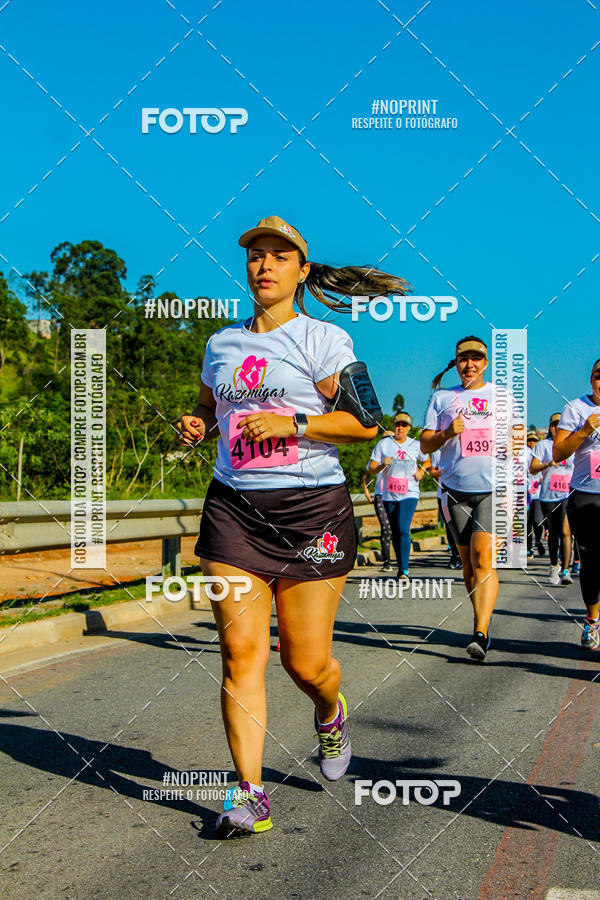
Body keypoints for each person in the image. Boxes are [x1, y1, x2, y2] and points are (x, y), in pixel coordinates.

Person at [176, 215, 410, 835]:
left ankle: (330, 715)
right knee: (239, 654)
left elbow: (367, 426)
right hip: (235, 510)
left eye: (280, 257)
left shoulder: (324, 341)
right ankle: (249, 794)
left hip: (312, 513)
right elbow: (209, 406)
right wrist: (197, 424)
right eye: (256, 255)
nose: (264, 265)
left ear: (302, 271)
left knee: (305, 664)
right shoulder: (221, 344)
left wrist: (295, 424)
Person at [420, 336, 499, 661]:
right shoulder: (442, 397)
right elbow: (425, 445)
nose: (470, 365)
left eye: (476, 358)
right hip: (455, 491)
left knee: (483, 559)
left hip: (493, 490)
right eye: (463, 359)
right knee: (468, 566)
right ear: (456, 363)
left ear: (486, 362)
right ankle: (478, 618)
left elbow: (519, 438)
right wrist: (446, 433)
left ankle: (481, 631)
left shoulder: (502, 396)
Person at [553, 358, 600, 648]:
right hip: (586, 495)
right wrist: (583, 431)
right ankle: (592, 620)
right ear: (591, 379)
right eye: (598, 374)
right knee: (593, 562)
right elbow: (558, 452)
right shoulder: (576, 409)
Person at [367, 413, 429, 583]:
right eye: (397, 424)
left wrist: (421, 472)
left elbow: (427, 460)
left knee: (402, 528)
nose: (400, 428)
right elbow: (371, 468)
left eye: (404, 425)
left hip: (409, 492)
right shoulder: (384, 444)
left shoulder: (415, 445)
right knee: (395, 531)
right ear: (394, 426)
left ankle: (404, 570)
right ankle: (400, 566)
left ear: (409, 427)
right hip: (389, 494)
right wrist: (381, 464)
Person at [530, 414, 574, 586]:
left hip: (567, 495)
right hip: (548, 495)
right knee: (554, 533)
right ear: (549, 427)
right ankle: (553, 565)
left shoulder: (572, 446)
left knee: (566, 531)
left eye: (560, 423)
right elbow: (532, 468)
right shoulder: (543, 446)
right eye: (554, 424)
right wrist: (546, 465)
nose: (557, 426)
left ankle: (566, 569)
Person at [363, 431, 394, 573]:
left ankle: (401, 561)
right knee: (386, 527)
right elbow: (367, 475)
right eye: (385, 438)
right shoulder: (375, 457)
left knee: (397, 529)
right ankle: (387, 562)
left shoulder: (399, 455)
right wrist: (367, 492)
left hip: (396, 495)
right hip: (380, 495)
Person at [430, 448, 461, 568]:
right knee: (450, 525)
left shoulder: (461, 448)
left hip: (462, 493)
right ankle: (456, 555)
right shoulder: (437, 452)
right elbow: (432, 472)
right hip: (443, 495)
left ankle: (467, 555)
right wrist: (444, 472)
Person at [526, 432, 545, 558]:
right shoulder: (524, 453)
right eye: (529, 440)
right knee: (526, 522)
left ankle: (538, 541)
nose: (531, 443)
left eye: (534, 440)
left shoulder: (542, 453)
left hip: (538, 494)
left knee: (538, 521)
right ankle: (528, 548)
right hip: (526, 494)